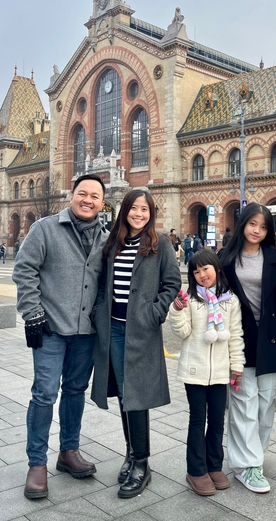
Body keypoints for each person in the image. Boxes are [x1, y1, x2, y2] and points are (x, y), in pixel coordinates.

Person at [13, 174, 108, 500]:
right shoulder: (45, 228)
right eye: (83, 193)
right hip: (51, 330)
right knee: (44, 393)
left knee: (75, 391)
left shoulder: (105, 237)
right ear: (72, 195)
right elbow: (24, 269)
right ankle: (36, 463)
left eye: (95, 196)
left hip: (86, 333)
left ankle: (69, 451)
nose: (88, 200)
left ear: (102, 202)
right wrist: (33, 313)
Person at [91, 189, 181, 499]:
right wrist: (99, 312)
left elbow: (172, 283)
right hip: (113, 330)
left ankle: (142, 464)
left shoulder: (160, 245)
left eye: (145, 209)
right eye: (134, 208)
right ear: (124, 210)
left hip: (141, 331)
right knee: (123, 395)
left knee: (137, 396)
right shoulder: (112, 244)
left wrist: (155, 313)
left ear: (151, 213)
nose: (139, 214)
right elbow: (103, 284)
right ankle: (131, 453)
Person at [220, 203, 276, 493]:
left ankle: (255, 458)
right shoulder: (225, 259)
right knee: (242, 404)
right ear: (242, 224)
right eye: (253, 224)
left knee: (264, 404)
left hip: (272, 339)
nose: (257, 231)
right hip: (241, 339)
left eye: (263, 227)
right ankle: (245, 465)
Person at [169, 249, 244, 496]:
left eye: (205, 269)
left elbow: (235, 336)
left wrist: (237, 366)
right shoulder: (191, 300)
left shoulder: (230, 301)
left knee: (217, 422)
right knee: (198, 420)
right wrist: (177, 310)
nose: (202, 274)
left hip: (221, 373)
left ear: (217, 268)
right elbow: (182, 332)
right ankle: (196, 470)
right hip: (195, 371)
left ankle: (214, 466)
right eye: (196, 271)